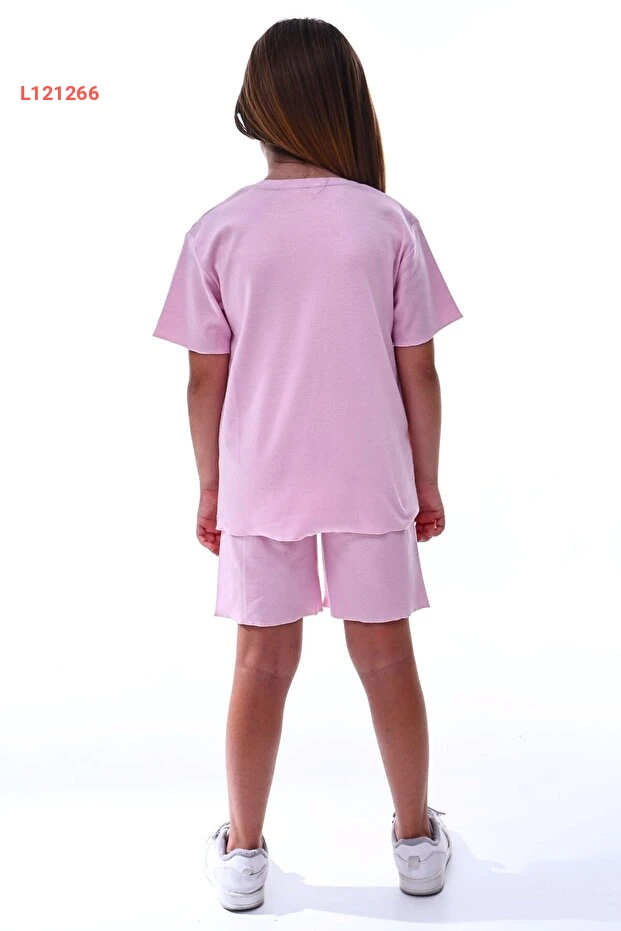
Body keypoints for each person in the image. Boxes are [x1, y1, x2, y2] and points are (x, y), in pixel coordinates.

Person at [152, 17, 463, 913]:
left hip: (261, 477)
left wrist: (211, 486)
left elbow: (203, 382)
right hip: (371, 473)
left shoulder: (218, 230)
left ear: (254, 109)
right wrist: (425, 480)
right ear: (345, 104)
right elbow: (418, 370)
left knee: (259, 662)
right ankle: (415, 844)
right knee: (386, 655)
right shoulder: (387, 223)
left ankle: (243, 855)